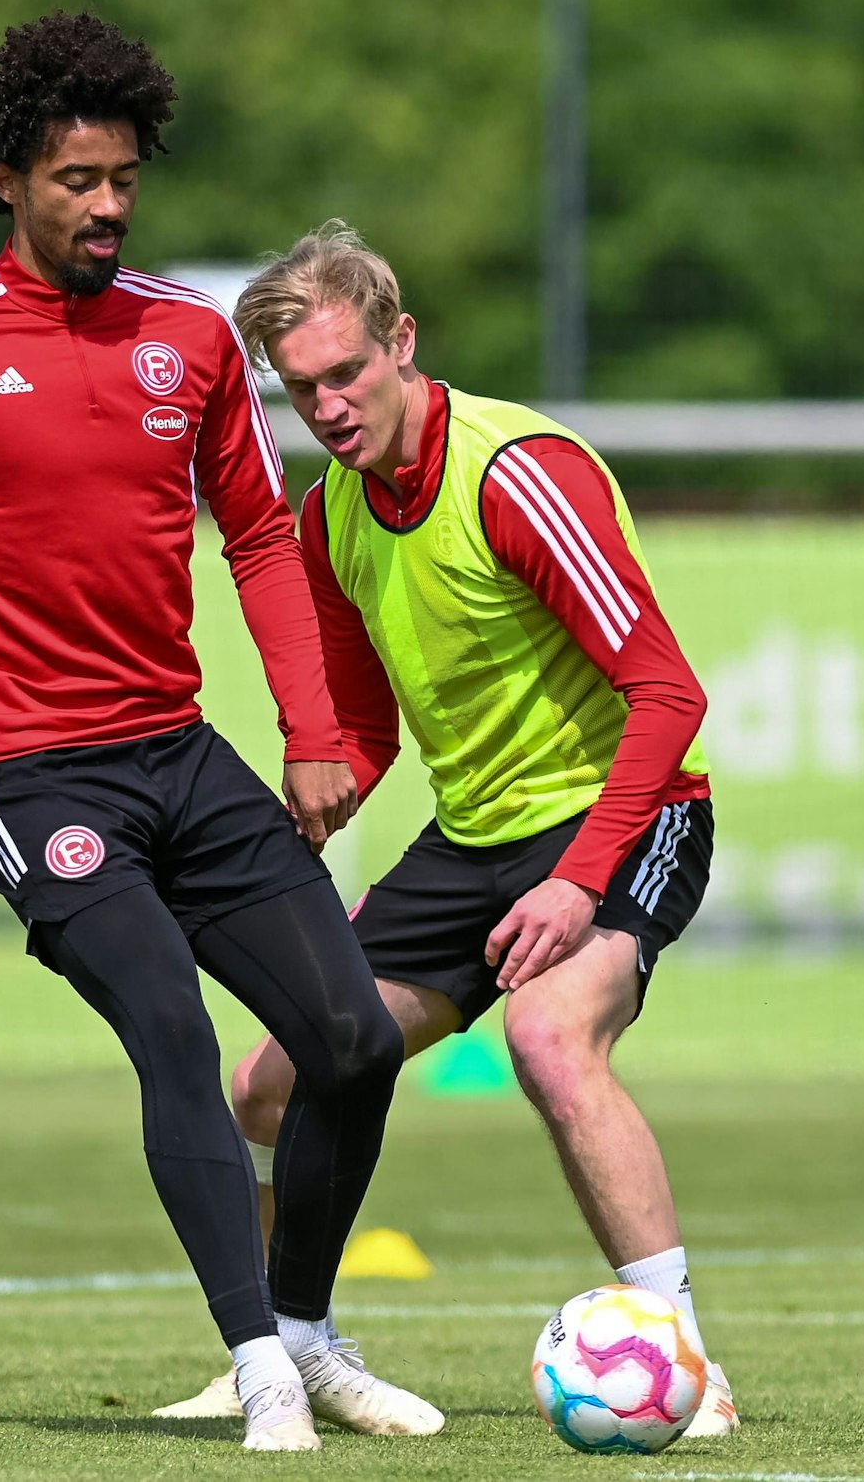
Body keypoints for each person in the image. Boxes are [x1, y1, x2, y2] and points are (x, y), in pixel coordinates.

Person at [0, 22, 440, 1451]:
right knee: (171, 1030)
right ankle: (258, 1360)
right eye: (78, 179)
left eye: (125, 178)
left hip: (179, 750)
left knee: (352, 1040)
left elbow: (262, 535)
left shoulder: (190, 337)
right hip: (18, 764)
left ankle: (309, 1330)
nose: (109, 205)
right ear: (9, 178)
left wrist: (314, 732)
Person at [157, 221, 738, 1438]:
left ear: (400, 342)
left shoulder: (516, 473)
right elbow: (363, 727)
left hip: (624, 815)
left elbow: (667, 696)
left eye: (345, 372)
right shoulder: (328, 521)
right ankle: (278, 1342)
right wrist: (298, 814)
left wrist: (579, 884)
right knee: (266, 1081)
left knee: (544, 1035)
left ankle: (680, 1358)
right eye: (299, 388)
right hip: (470, 843)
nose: (326, 404)